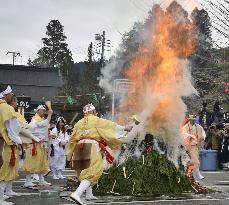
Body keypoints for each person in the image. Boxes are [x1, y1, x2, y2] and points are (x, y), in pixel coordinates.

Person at [67, 103, 132, 205]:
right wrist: (125, 128)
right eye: (95, 111)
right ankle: (77, 194)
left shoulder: (78, 122)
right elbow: (110, 125)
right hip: (91, 146)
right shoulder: (95, 119)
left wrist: (70, 153)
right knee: (93, 170)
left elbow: (72, 139)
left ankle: (89, 194)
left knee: (84, 171)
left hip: (79, 148)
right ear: (92, 112)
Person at [0, 84, 22, 203]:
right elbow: (13, 128)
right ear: (6, 94)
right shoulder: (6, 108)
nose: (12, 96)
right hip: (4, 142)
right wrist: (19, 140)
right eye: (11, 94)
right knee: (4, 169)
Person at [23, 105, 53, 187]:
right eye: (42, 110)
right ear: (37, 111)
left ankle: (41, 180)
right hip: (34, 144)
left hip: (41, 144)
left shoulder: (40, 119)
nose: (43, 112)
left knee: (41, 162)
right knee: (31, 162)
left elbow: (44, 126)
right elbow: (43, 124)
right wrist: (49, 115)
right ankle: (28, 181)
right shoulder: (35, 119)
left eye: (44, 110)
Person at [182, 114, 206, 180]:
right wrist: (190, 136)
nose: (193, 121)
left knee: (194, 160)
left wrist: (202, 137)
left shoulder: (199, 127)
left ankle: (191, 174)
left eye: (194, 120)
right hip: (186, 146)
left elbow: (203, 134)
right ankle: (192, 174)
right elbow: (184, 134)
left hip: (195, 145)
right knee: (190, 161)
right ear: (189, 120)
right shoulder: (185, 127)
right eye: (192, 120)